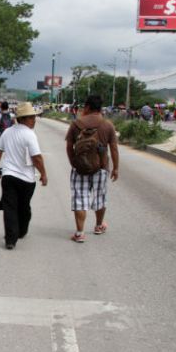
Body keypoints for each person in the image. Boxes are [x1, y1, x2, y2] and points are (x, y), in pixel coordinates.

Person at [0, 102, 48, 250]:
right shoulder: (30, 134)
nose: (34, 120)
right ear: (23, 118)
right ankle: (20, 232)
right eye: (31, 117)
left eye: (34, 117)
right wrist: (43, 174)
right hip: (26, 180)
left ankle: (11, 239)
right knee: (23, 207)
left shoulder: (7, 132)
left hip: (8, 177)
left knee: (10, 208)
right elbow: (37, 158)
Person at [65, 95, 119, 243]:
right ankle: (99, 225)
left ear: (87, 107)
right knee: (100, 197)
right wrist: (115, 168)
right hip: (100, 168)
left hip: (79, 169)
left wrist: (74, 163)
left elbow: (69, 147)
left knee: (80, 199)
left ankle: (80, 233)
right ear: (100, 108)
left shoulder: (76, 124)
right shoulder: (108, 125)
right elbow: (113, 149)